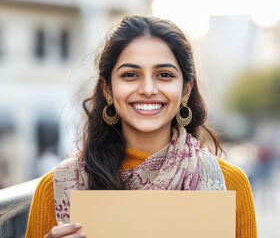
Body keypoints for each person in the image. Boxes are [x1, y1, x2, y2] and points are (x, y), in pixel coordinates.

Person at [25, 16, 256, 238]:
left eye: (164, 75)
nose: (147, 88)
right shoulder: (53, 190)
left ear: (185, 90)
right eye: (130, 75)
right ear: (108, 89)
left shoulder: (231, 185)